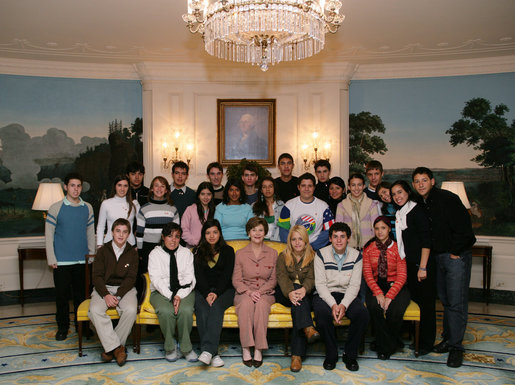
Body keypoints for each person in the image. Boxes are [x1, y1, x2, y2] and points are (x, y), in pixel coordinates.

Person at [412, 167, 476, 368]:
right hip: (438, 258)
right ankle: (448, 340)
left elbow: (465, 228)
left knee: (457, 302)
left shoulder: (448, 198)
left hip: (455, 256)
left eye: (424, 180)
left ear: (432, 181)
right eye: (417, 181)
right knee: (446, 301)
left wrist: (455, 252)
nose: (420, 184)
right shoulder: (423, 204)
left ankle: (456, 348)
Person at [45, 172, 95, 341]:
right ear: (65, 187)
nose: (75, 189)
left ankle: (83, 327)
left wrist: (92, 255)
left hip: (82, 260)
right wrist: (51, 258)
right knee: (62, 297)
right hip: (61, 261)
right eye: (72, 185)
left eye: (78, 186)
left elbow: (90, 233)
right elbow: (49, 235)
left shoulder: (87, 207)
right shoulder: (55, 208)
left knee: (82, 297)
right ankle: (63, 327)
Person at [313, 222, 369, 371]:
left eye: (342, 237)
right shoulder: (320, 254)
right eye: (335, 236)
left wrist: (343, 305)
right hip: (325, 294)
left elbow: (354, 286)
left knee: (362, 314)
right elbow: (320, 285)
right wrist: (333, 305)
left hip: (347, 294)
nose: (339, 240)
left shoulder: (356, 256)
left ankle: (349, 354)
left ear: (348, 238)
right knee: (322, 315)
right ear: (330, 238)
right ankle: (331, 354)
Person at [390, 180, 434, 356]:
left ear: (408, 191)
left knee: (426, 305)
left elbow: (426, 241)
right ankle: (417, 339)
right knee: (415, 301)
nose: (397, 197)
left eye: (400, 192)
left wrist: (422, 267)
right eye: (394, 194)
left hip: (421, 265)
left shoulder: (417, 211)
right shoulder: (402, 212)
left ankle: (426, 343)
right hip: (409, 264)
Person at [89, 218, 138, 366]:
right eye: (118, 231)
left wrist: (117, 296)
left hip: (125, 289)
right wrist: (106, 294)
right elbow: (96, 276)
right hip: (103, 287)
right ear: (112, 232)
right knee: (94, 310)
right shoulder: (103, 251)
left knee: (130, 310)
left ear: (129, 234)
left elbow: (131, 278)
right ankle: (118, 348)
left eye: (124, 232)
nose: (121, 235)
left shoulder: (132, 253)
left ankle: (110, 348)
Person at [232, 217, 278, 367]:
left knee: (261, 306)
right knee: (245, 305)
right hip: (244, 292)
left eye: (260, 230)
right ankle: (246, 348)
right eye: (254, 230)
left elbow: (273, 280)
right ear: (248, 233)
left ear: (265, 233)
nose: (257, 233)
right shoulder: (240, 253)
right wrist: (249, 292)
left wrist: (260, 292)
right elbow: (236, 280)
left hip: (266, 293)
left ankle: (259, 349)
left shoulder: (273, 253)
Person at [148, 223, 198, 362]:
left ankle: (186, 347)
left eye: (177, 237)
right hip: (161, 291)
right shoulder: (155, 254)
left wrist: (178, 295)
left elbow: (190, 278)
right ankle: (170, 347)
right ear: (163, 237)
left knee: (186, 310)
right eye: (170, 236)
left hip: (184, 291)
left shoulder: (186, 253)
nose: (173, 240)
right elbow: (156, 279)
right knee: (165, 310)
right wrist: (171, 296)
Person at [362, 216, 409, 360]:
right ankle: (392, 342)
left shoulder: (397, 246)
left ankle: (384, 346)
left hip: (396, 285)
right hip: (376, 285)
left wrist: (390, 296)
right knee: (375, 307)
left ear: (389, 229)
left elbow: (402, 275)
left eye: (383, 228)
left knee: (395, 309)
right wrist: (378, 293)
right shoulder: (369, 248)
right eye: (377, 228)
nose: (380, 231)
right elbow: (368, 274)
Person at [275, 225, 320, 372]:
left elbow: (312, 277)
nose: (297, 242)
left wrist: (303, 290)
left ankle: (296, 356)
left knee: (299, 306)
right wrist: (290, 292)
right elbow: (282, 278)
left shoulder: (313, 256)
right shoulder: (283, 256)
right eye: (294, 239)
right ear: (289, 241)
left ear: (306, 240)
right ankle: (308, 327)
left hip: (305, 294)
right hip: (284, 294)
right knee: (300, 301)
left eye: (300, 239)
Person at [193, 219, 235, 367]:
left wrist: (216, 293)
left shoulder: (228, 251)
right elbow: (198, 276)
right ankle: (213, 353)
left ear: (220, 234)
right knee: (203, 309)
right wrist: (206, 294)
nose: (211, 236)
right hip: (203, 290)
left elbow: (227, 275)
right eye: (208, 233)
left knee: (216, 307)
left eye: (215, 232)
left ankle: (207, 351)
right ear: (204, 235)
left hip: (225, 290)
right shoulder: (197, 251)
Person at [136, 176, 179, 295]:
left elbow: (176, 233)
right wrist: (140, 251)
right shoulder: (144, 209)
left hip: (167, 248)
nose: (159, 188)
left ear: (166, 190)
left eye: (162, 186)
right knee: (149, 277)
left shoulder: (172, 209)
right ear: (151, 189)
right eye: (156, 185)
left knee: (165, 276)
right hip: (147, 249)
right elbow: (139, 233)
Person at [278, 173, 335, 251]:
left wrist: (312, 247)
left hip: (315, 250)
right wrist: (293, 246)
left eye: (310, 186)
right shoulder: (288, 206)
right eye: (303, 186)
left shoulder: (324, 206)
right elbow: (283, 230)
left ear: (314, 187)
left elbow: (330, 230)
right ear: (298, 187)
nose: (306, 189)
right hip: (293, 250)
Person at [336, 173, 381, 250]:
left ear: (363, 186)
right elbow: (338, 229)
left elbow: (376, 227)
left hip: (368, 246)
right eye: (353, 185)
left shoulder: (372, 204)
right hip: (348, 247)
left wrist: (374, 246)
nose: (356, 188)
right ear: (349, 187)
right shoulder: (341, 205)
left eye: (359, 185)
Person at [96, 175, 138, 248]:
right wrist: (99, 245)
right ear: (115, 186)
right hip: (109, 246)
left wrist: (138, 246)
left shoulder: (134, 204)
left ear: (128, 188)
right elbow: (100, 226)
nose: (122, 188)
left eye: (125, 186)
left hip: (130, 246)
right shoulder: (106, 203)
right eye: (119, 185)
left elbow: (141, 226)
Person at [181, 182, 215, 248]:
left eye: (208, 194)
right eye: (202, 194)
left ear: (212, 195)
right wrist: (196, 242)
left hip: (211, 249)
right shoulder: (190, 209)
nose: (205, 197)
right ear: (198, 195)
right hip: (193, 248)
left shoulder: (215, 210)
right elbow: (184, 230)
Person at [252, 176, 284, 241]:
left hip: (277, 242)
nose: (267, 189)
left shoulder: (282, 206)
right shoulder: (254, 206)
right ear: (261, 190)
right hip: (259, 242)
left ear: (274, 188)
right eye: (264, 187)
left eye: (270, 186)